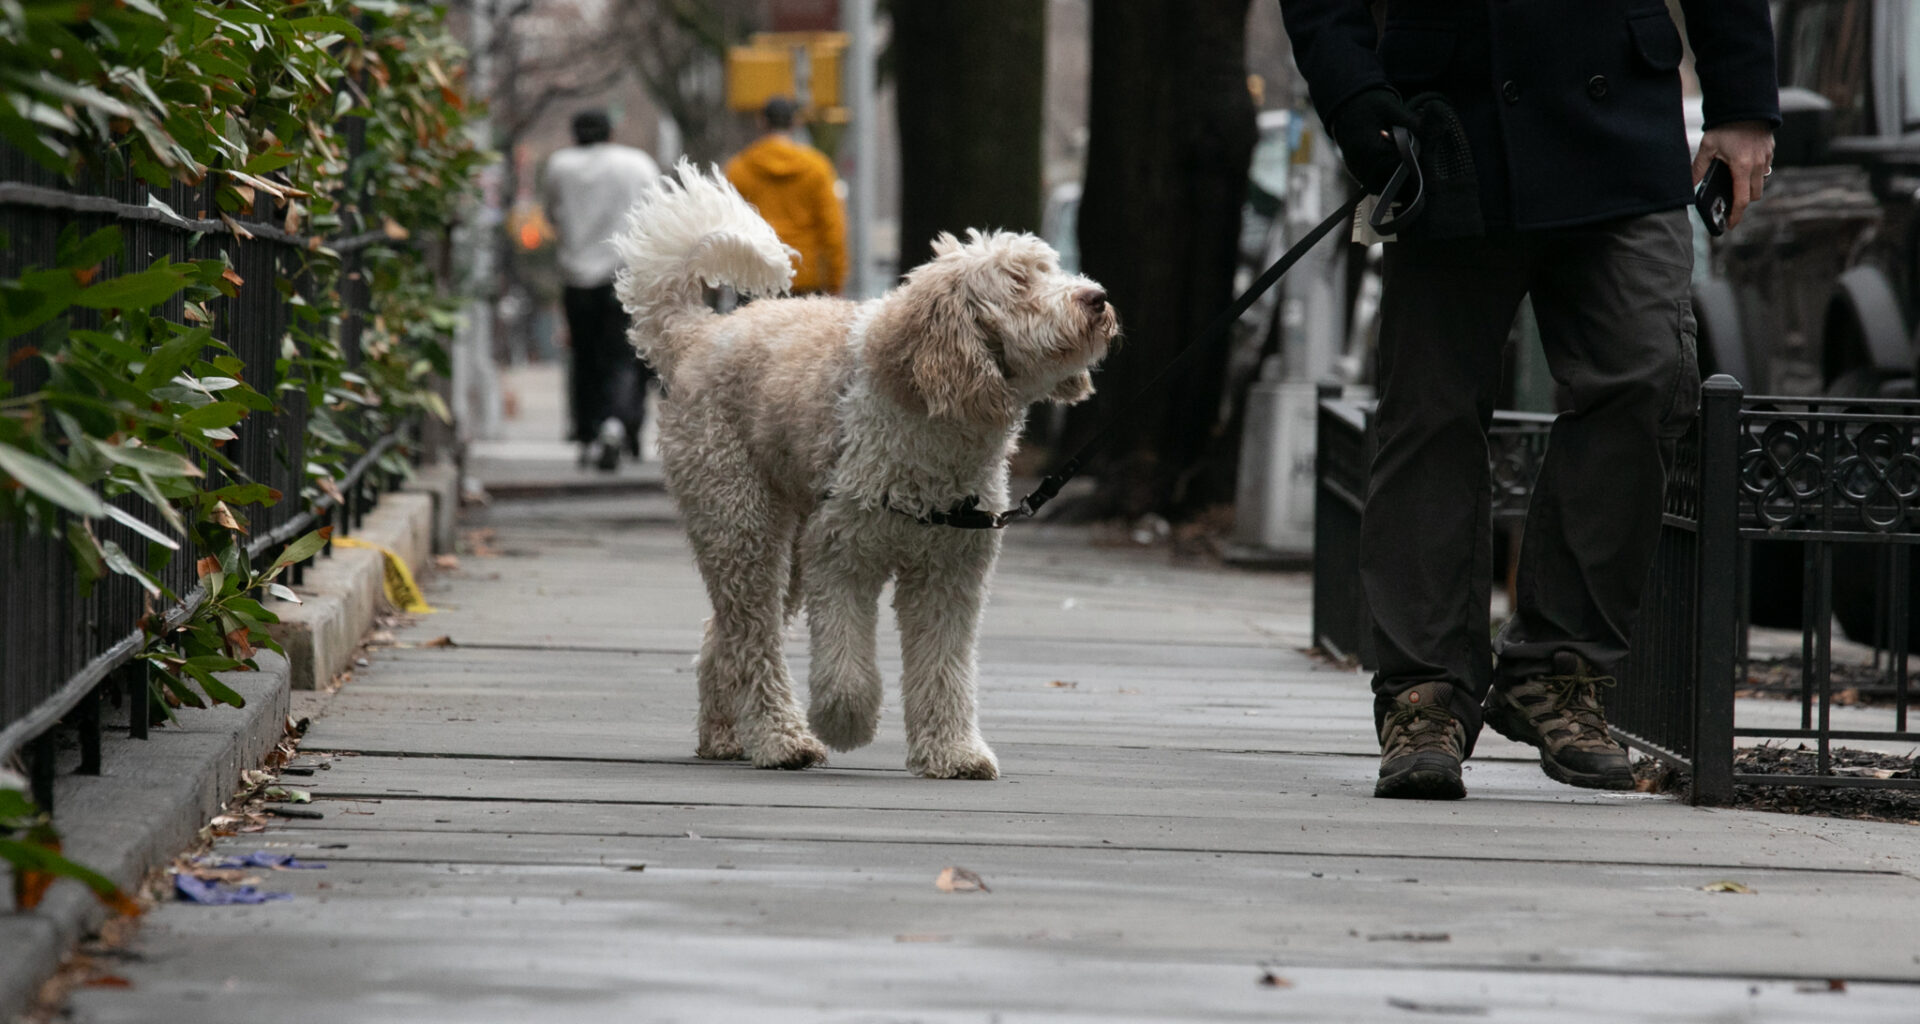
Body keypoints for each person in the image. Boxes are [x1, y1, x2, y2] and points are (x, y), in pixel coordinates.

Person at [1276, 1, 1778, 799]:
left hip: (1620, 120)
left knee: (1646, 375)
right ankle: (1425, 694)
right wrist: (1352, 95)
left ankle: (1557, 672)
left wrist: (1744, 100)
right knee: (1429, 413)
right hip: (1446, 126)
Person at [540, 109, 660, 470]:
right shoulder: (637, 164)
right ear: (611, 132)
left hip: (577, 277)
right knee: (623, 356)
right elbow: (657, 212)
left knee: (584, 355)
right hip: (625, 274)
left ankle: (587, 431)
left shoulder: (560, 166)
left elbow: (551, 214)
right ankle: (617, 423)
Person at [724, 97, 847, 296]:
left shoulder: (739, 169)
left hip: (757, 280)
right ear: (795, 123)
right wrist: (835, 282)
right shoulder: (817, 168)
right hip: (804, 281)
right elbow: (833, 230)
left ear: (762, 122)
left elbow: (726, 227)